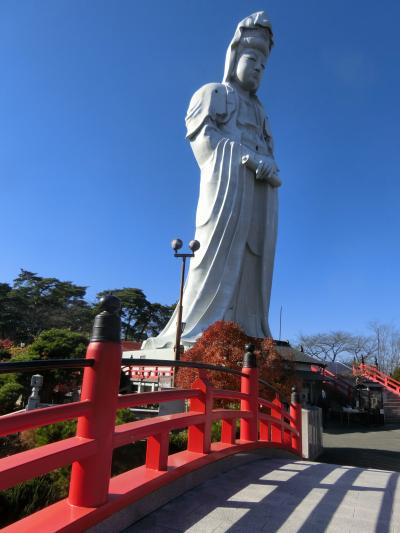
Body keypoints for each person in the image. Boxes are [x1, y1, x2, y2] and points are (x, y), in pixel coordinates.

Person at [143, 12, 281, 350]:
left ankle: (248, 328)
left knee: (254, 264)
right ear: (234, 57)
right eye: (252, 60)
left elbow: (271, 157)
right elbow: (205, 143)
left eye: (264, 65)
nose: (259, 69)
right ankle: (199, 328)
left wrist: (267, 167)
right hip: (226, 191)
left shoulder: (262, 115)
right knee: (213, 259)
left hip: (258, 197)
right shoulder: (214, 93)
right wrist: (246, 158)